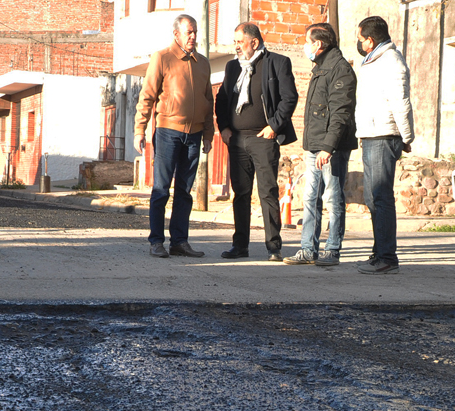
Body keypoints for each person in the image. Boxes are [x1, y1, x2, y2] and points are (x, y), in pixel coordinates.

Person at [215, 22, 298, 262]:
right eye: (235, 42)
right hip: (237, 140)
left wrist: (274, 126)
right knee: (240, 194)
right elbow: (222, 100)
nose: (237, 46)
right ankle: (240, 246)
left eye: (240, 42)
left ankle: (274, 247)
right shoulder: (232, 67)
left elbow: (289, 98)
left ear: (254, 42)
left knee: (268, 193)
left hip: (263, 139)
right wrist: (224, 128)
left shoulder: (277, 63)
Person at [134, 14, 214, 259]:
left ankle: (179, 241)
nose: (193, 36)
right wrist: (140, 129)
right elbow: (147, 95)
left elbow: (208, 100)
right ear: (176, 34)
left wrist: (208, 134)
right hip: (168, 131)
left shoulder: (203, 63)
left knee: (185, 191)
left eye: (195, 32)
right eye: (188, 32)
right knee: (161, 189)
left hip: (195, 135)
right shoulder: (162, 58)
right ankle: (156, 241)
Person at [283, 23, 357, 267]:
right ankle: (307, 249)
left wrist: (328, 147)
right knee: (310, 197)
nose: (305, 46)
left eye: (308, 41)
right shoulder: (320, 68)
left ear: (319, 44)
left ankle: (332, 250)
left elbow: (339, 113)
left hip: (330, 148)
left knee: (333, 199)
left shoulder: (340, 69)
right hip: (314, 145)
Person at [355, 16, 414, 275]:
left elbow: (401, 101)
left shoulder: (391, 61)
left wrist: (407, 136)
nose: (358, 43)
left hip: (384, 135)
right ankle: (379, 252)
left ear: (370, 40)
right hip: (370, 134)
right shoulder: (372, 60)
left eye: (360, 38)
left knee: (381, 197)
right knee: (371, 197)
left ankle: (388, 257)